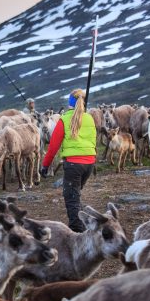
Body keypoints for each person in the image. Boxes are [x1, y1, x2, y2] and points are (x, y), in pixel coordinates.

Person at [40, 89, 96, 232]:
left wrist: (45, 166)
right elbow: (93, 141)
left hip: (73, 164)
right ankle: (84, 224)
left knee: (71, 198)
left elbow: (53, 147)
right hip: (89, 163)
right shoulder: (89, 118)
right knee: (75, 195)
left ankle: (78, 233)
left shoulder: (64, 119)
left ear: (69, 102)